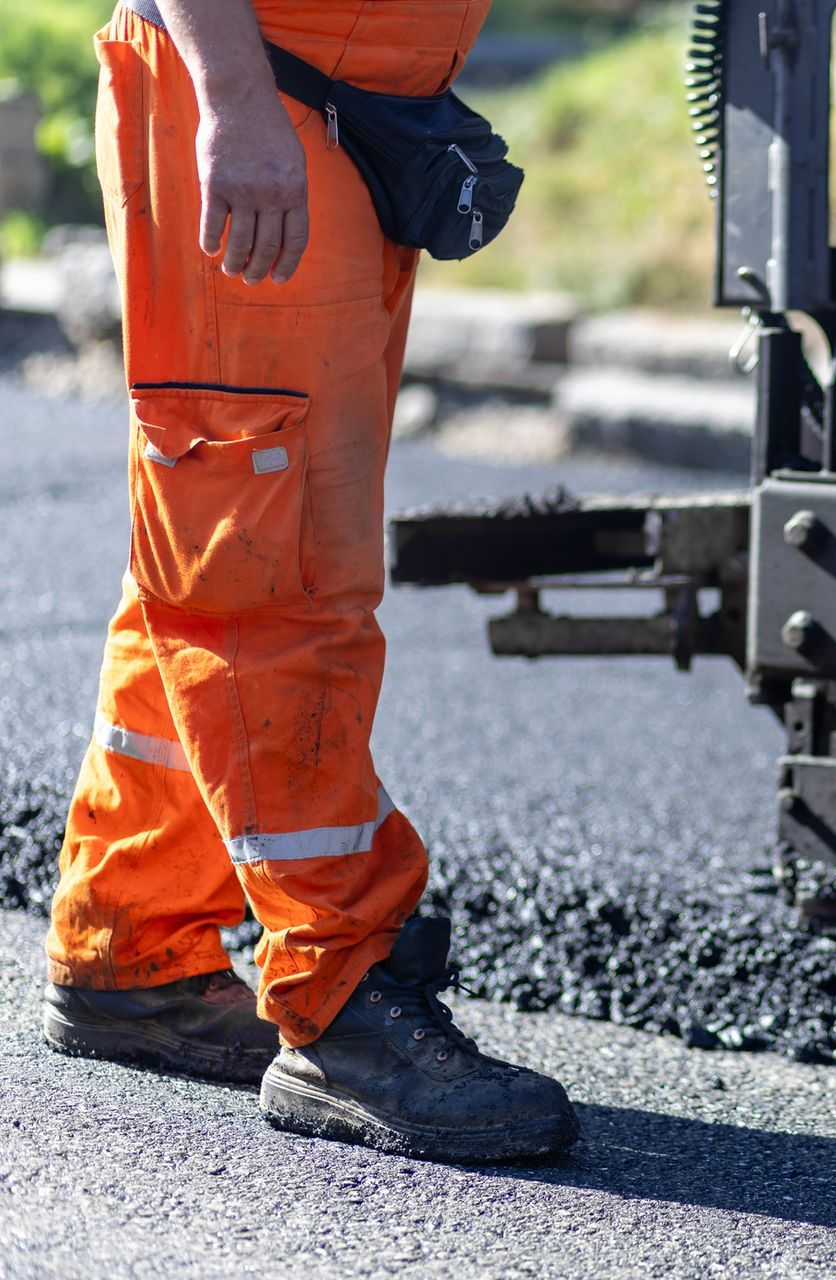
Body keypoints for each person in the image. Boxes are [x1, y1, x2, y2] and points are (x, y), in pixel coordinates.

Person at [40, 0, 578, 1162]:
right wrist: (234, 102)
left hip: (342, 108)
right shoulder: (243, 103)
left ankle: (134, 939)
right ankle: (341, 1000)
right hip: (253, 96)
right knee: (271, 566)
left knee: (219, 547)